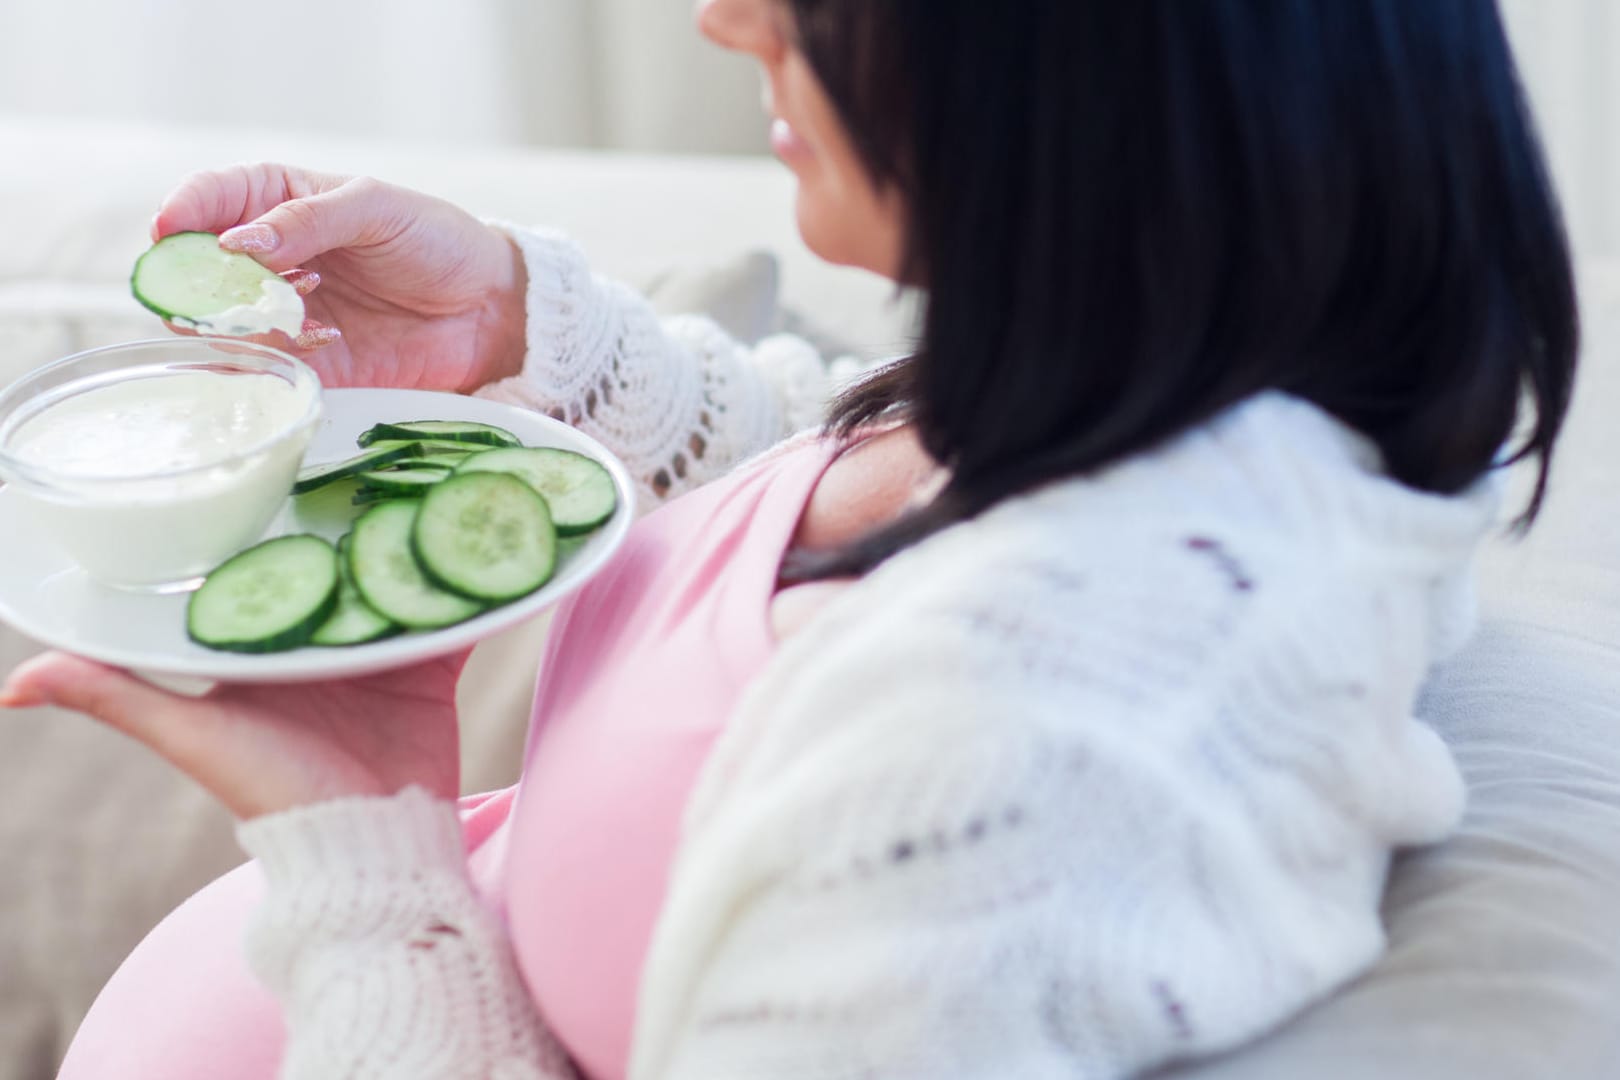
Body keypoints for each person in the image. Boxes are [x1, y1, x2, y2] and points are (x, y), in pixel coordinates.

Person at [0, 0, 1578, 1077]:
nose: (727, 16)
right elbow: (845, 509)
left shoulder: (1026, 735)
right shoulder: (1171, 423)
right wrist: (523, 332)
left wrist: (361, 849)